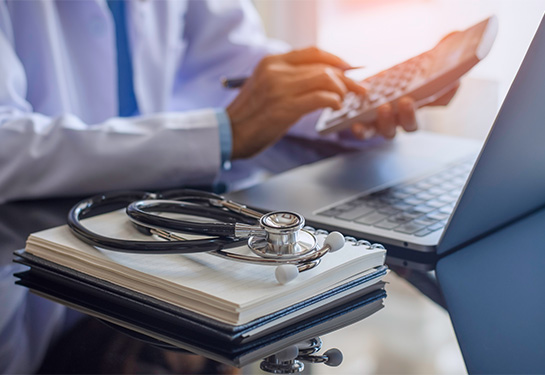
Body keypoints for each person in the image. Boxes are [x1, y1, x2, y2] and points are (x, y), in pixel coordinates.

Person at [0, 0, 457, 373]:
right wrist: (222, 133)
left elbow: (235, 66)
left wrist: (345, 102)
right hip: (29, 299)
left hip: (144, 270)